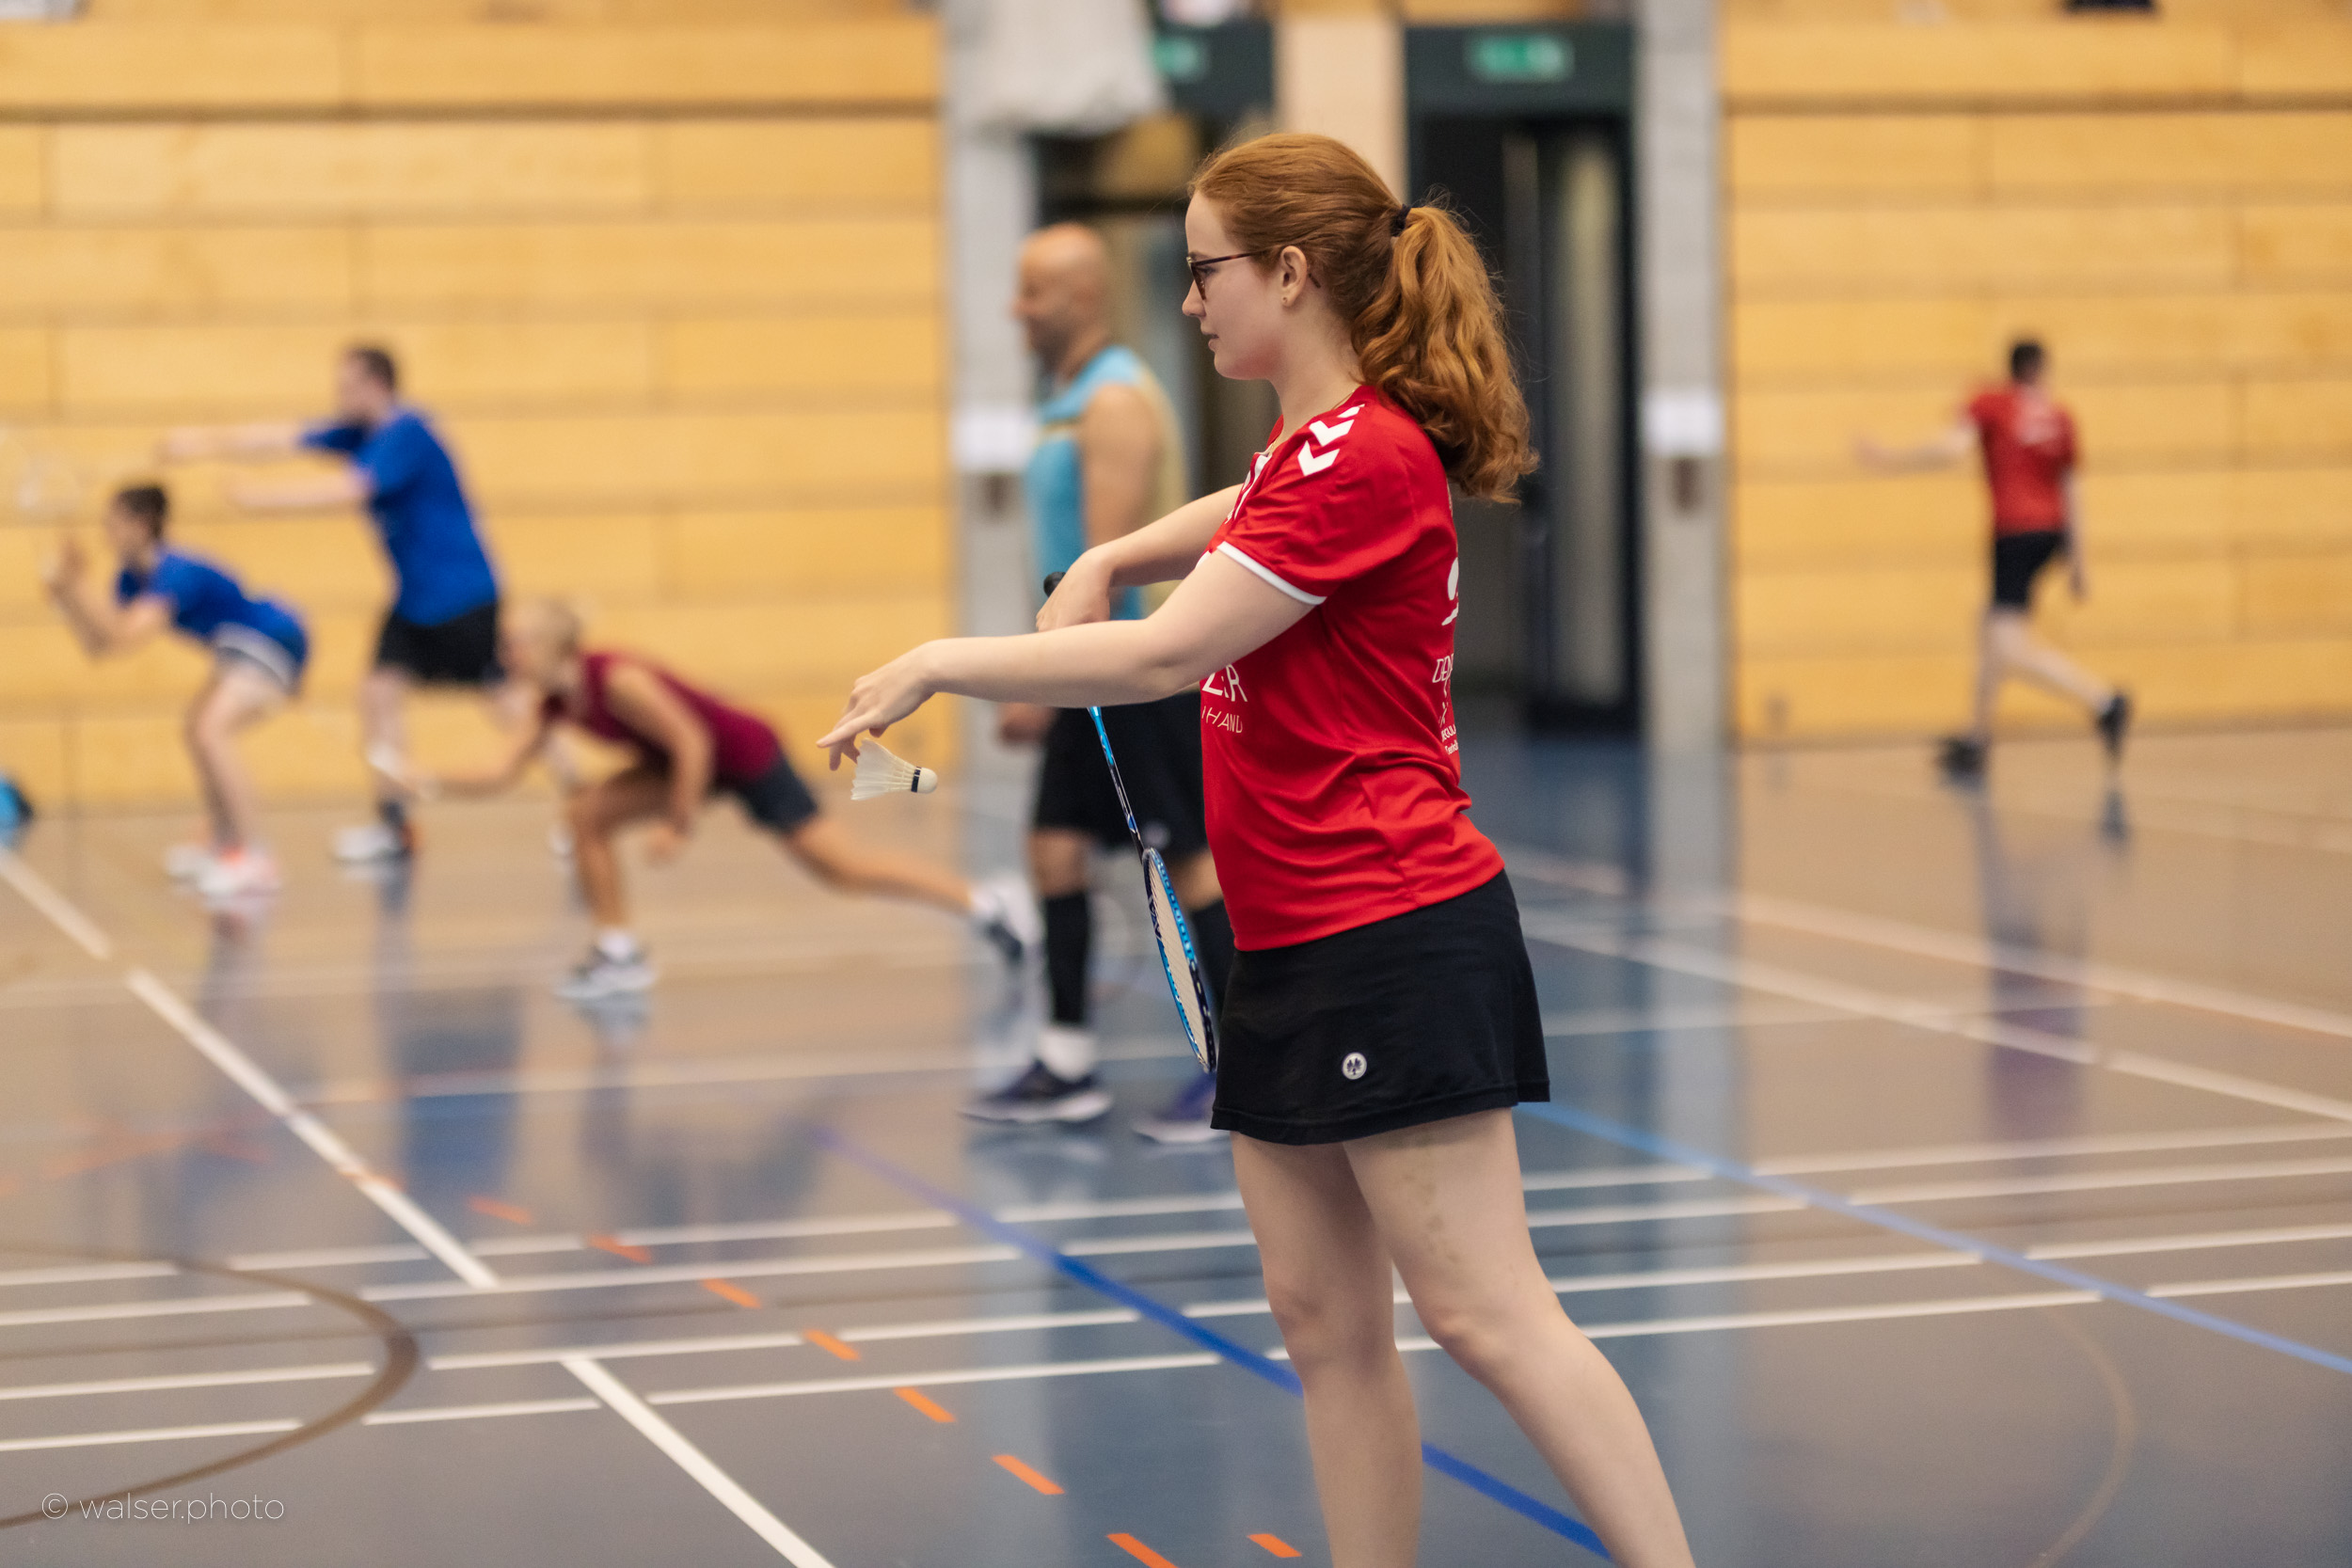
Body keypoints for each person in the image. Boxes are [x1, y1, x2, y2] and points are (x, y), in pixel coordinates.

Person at [820, 134, 1697, 1568]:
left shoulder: (1366, 453)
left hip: (1390, 927)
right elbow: (1241, 511)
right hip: (1287, 941)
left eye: (1205, 270)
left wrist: (938, 658)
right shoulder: (1315, 443)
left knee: (1486, 1312)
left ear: (1290, 273)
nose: (1190, 301)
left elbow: (1163, 659)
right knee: (1322, 1319)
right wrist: (1113, 552)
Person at [430, 599, 1033, 1001]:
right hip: (684, 764)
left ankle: (988, 905)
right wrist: (422, 779)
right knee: (587, 817)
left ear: (550, 645)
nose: (505, 655)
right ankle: (618, 951)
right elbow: (500, 770)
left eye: (514, 644)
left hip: (743, 755)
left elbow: (693, 742)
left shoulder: (615, 679)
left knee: (841, 868)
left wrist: (678, 824)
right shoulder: (554, 703)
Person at [976, 222, 1235, 1139]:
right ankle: (1066, 1061)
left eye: (1032, 291)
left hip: (1138, 673)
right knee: (1053, 848)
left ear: (1083, 296)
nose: (1016, 309)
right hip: (1085, 675)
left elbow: (1103, 566)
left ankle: (1236, 1067)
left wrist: (1033, 681)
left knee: (1188, 860)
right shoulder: (1064, 400)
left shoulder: (1116, 400)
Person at [161, 344, 524, 863]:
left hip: (462, 594)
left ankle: (578, 792)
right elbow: (280, 438)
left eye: (348, 387)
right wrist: (198, 444)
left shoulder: (407, 433)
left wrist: (264, 500)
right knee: (377, 693)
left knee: (511, 703)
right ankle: (394, 825)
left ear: (377, 385)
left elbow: (351, 489)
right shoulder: (358, 434)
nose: (339, 397)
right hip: (416, 602)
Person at [1859, 338, 2131, 779]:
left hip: (2014, 534)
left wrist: (1891, 458)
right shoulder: (2060, 417)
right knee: (1989, 628)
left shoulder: (1993, 403)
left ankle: (2103, 702)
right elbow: (2071, 488)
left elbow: (1952, 449)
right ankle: (1977, 739)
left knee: (2008, 646)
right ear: (2042, 370)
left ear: (2011, 369)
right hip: (2050, 536)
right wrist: (2080, 563)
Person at [42, 483, 310, 900]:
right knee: (197, 730)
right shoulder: (130, 579)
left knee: (211, 731)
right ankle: (225, 846)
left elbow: (127, 634)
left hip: (273, 636)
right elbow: (101, 645)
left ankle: (256, 857)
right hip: (234, 648)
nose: (106, 533)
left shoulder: (175, 571)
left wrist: (79, 583)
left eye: (113, 524)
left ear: (142, 525)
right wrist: (69, 595)